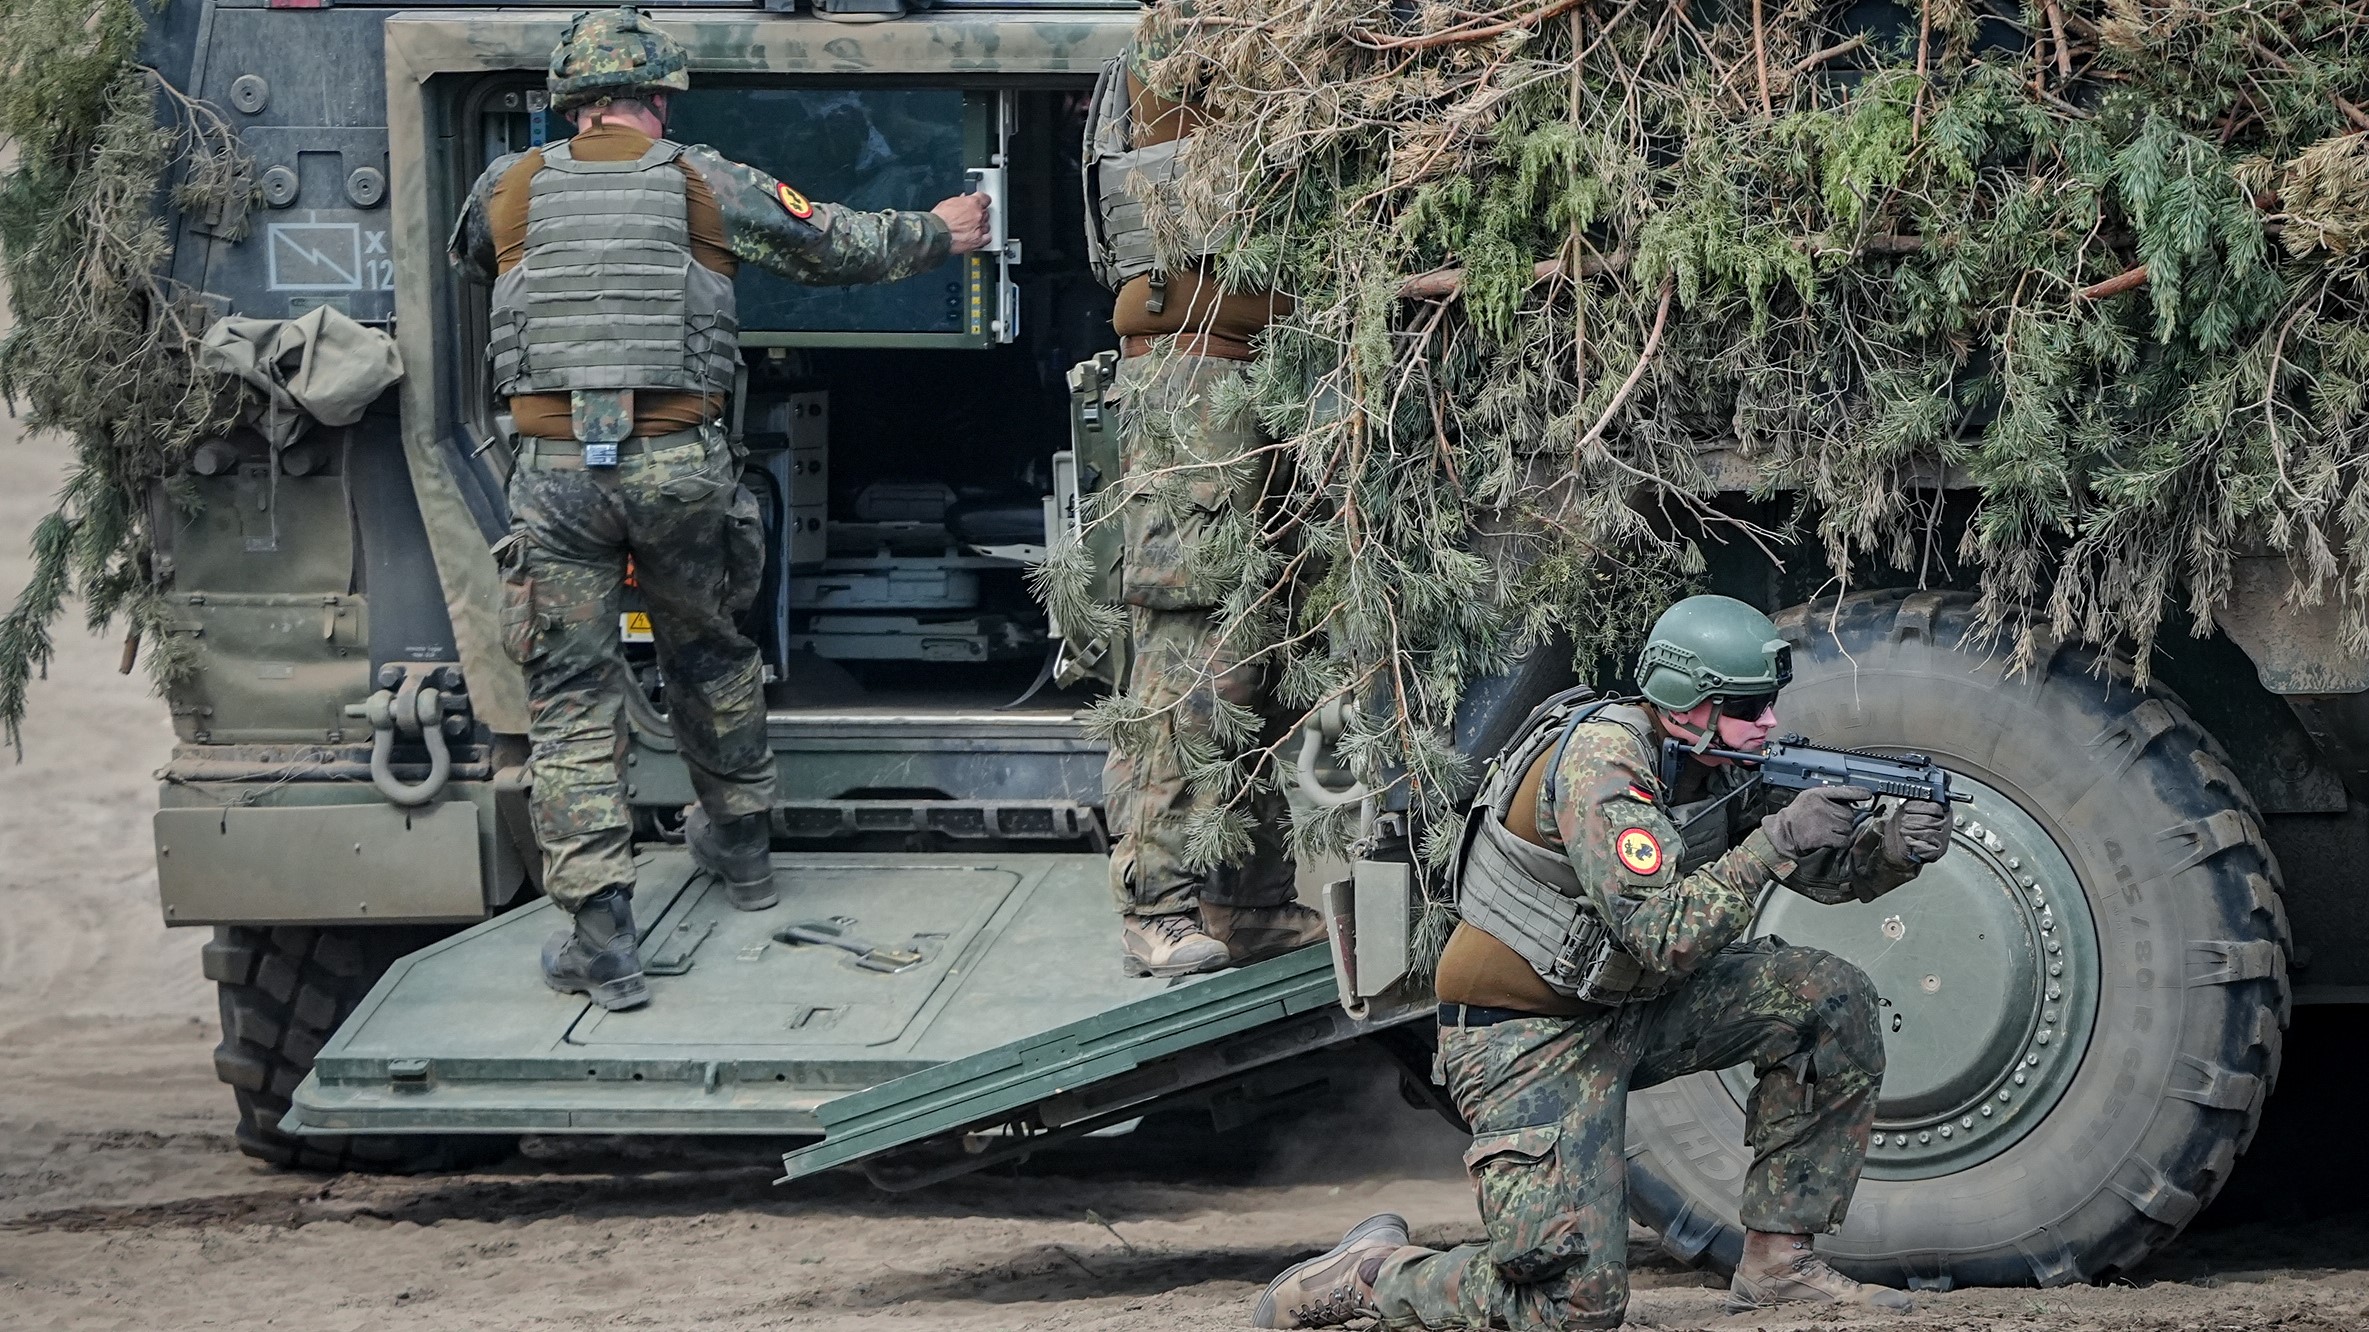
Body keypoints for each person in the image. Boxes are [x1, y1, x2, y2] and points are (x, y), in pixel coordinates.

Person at [449, 6, 994, 1011]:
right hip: (679, 465)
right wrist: (943, 231)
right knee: (707, 649)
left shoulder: (506, 187)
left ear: (567, 103)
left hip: (560, 475)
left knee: (570, 699)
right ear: (659, 98)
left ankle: (601, 932)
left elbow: (475, 264)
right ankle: (741, 846)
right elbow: (836, 245)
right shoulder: (704, 180)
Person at [1252, 594, 1953, 1328]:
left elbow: (1808, 869)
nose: (1769, 722)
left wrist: (1890, 848)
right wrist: (1776, 839)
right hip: (1521, 1036)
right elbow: (1665, 933)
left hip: (1629, 1007)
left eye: (1768, 704)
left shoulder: (1704, 757)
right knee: (1570, 1307)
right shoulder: (1603, 765)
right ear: (1687, 707)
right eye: (1749, 707)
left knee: (1826, 996)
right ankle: (1370, 1277)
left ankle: (1778, 1265)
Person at [1083, 7, 1326, 978]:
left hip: (1263, 375)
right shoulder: (1184, 34)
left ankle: (1248, 899)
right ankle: (1158, 904)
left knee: (1263, 648)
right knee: (1190, 654)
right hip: (1194, 384)